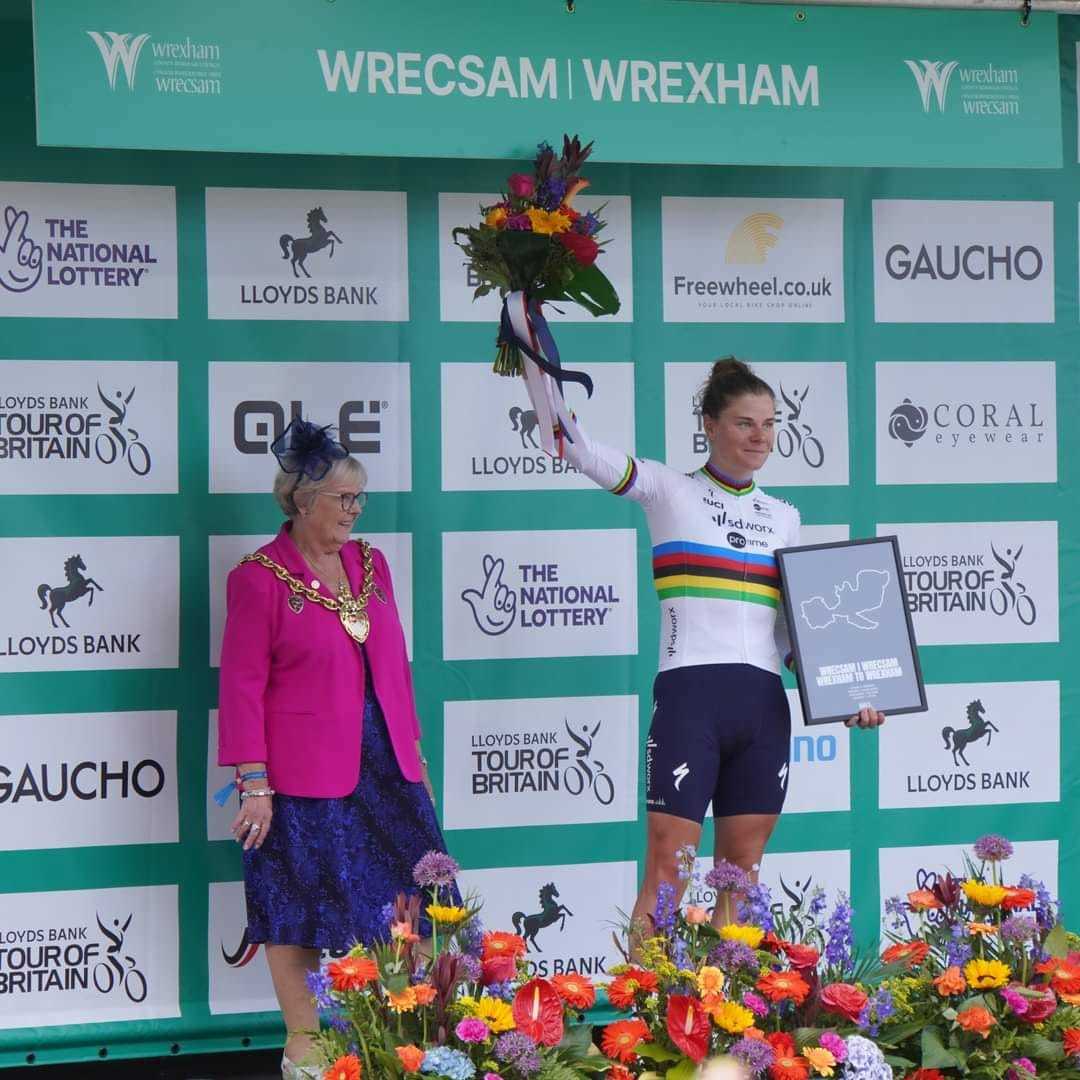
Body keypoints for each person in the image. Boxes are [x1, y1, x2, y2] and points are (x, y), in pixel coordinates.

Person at [527, 358, 884, 940]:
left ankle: (727, 1021)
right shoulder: (668, 489)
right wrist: (534, 363)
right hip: (692, 700)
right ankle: (645, 1016)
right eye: (745, 423)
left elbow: (793, 633)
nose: (760, 437)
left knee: (740, 877)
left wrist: (849, 692)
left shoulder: (784, 518)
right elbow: (578, 448)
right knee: (668, 876)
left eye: (769, 424)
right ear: (710, 424)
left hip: (764, 706)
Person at [217, 418, 459, 1079]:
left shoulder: (373, 564)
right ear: (301, 501)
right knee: (295, 906)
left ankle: (399, 1040)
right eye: (343, 499)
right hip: (299, 776)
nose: (355, 511)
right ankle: (306, 1048)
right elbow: (241, 687)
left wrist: (417, 757)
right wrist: (253, 783)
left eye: (360, 499)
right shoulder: (258, 578)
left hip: (385, 765)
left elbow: (398, 668)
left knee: (413, 902)